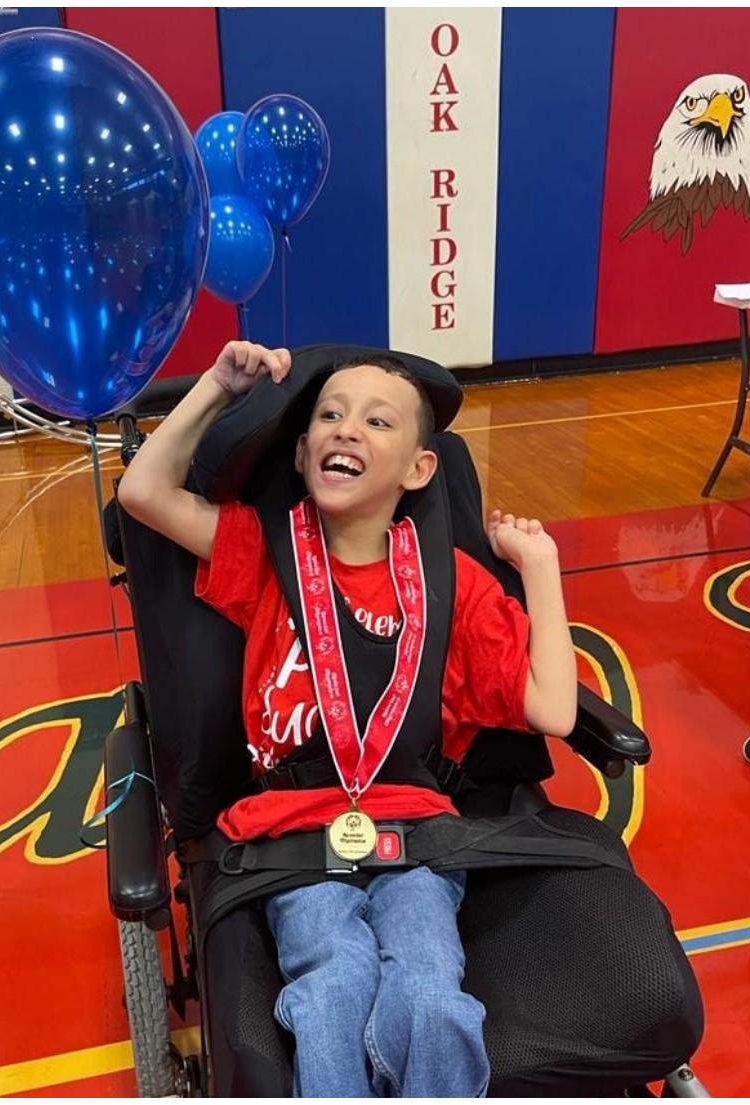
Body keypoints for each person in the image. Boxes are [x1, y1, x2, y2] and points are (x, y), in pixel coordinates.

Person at [117, 342, 577, 1096]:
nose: (346, 429)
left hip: (418, 834)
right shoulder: (267, 555)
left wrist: (540, 568)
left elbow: (553, 708)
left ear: (419, 468)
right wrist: (215, 388)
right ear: (302, 455)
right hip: (295, 836)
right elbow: (143, 495)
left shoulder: (449, 583)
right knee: (332, 986)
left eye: (376, 420)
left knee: (431, 993)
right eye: (329, 416)